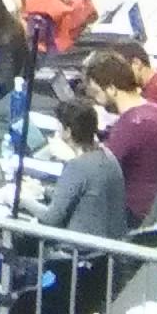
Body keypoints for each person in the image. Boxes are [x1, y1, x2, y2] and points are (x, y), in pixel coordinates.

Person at [83, 51, 157, 221]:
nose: (95, 98)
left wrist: (72, 153)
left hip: (136, 213)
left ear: (111, 89)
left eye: (96, 92)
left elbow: (97, 172)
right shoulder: (154, 109)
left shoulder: (132, 124)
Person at [39, 98, 130, 238]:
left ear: (68, 131)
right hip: (107, 249)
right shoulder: (107, 155)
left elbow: (51, 218)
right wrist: (42, 190)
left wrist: (20, 200)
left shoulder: (77, 166)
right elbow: (72, 195)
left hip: (79, 252)